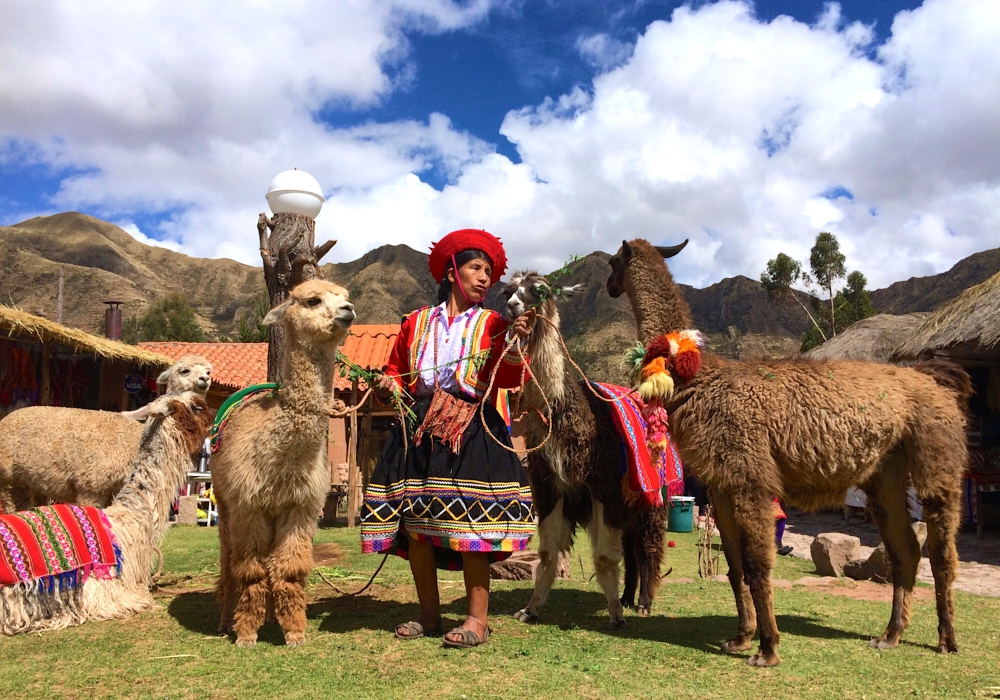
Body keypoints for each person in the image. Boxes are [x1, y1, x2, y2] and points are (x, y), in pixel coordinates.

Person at [360, 228, 536, 648]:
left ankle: (477, 620)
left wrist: (517, 341)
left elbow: (509, 376)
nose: (484, 279)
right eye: (476, 268)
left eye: (489, 273)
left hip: (471, 428)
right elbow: (396, 370)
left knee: (470, 524)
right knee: (418, 527)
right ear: (453, 270)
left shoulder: (494, 324)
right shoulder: (416, 322)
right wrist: (389, 386)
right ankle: (430, 615)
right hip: (418, 429)